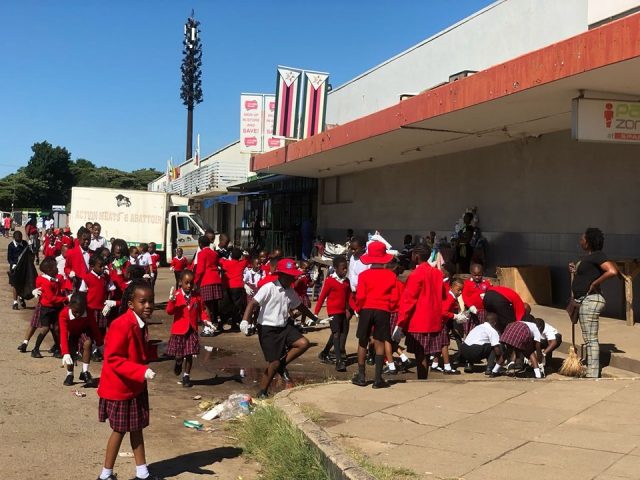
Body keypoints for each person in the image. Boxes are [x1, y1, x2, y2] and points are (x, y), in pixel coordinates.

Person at [96, 280, 159, 480]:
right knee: (119, 430)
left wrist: (160, 350)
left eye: (151, 301)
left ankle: (142, 473)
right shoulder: (121, 324)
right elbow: (114, 358)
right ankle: (105, 475)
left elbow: (139, 351)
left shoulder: (140, 323)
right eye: (143, 301)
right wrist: (141, 371)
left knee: (137, 428)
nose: (148, 305)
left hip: (134, 386)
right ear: (131, 304)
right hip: (120, 388)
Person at [241, 258, 318, 398]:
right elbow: (252, 304)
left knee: (303, 343)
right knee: (274, 363)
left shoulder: (290, 291)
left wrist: (314, 318)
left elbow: (300, 306)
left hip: (284, 326)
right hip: (267, 328)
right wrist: (245, 321)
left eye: (293, 276)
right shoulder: (268, 288)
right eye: (290, 276)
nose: (292, 279)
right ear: (281, 275)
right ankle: (262, 391)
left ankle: (281, 365)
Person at [569, 227, 618, 378]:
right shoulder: (590, 257)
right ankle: (592, 370)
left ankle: (592, 372)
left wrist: (595, 283)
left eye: (582, 239)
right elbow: (586, 275)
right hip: (585, 300)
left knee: (590, 339)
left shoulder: (598, 255)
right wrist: (575, 270)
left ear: (589, 242)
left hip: (590, 300)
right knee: (589, 338)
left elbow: (612, 271)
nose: (580, 241)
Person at [352, 241, 399, 389]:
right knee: (379, 342)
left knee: (363, 341)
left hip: (366, 308)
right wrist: (389, 307)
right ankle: (378, 379)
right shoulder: (391, 275)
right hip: (383, 310)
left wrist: (358, 309)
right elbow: (395, 297)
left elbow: (360, 296)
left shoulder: (363, 275)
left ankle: (361, 377)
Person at [395, 246, 445, 379]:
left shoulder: (416, 274)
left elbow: (408, 300)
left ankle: (422, 379)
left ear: (416, 256)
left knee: (420, 354)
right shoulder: (438, 273)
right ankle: (424, 378)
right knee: (427, 354)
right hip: (434, 319)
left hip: (419, 321)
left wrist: (400, 322)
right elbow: (443, 295)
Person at [166, 270, 208, 388]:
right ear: (180, 282)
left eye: (191, 283)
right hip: (179, 330)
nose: (189, 285)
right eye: (186, 283)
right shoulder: (176, 295)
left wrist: (206, 320)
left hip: (191, 329)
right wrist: (171, 301)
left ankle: (186, 376)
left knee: (189, 354)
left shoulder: (197, 296)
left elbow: (202, 310)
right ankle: (178, 361)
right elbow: (169, 311)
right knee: (179, 354)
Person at [315, 255, 351, 372]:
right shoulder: (330, 281)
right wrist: (316, 313)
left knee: (341, 333)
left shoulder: (346, 282)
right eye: (343, 268)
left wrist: (354, 309)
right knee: (336, 334)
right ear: (335, 268)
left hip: (343, 312)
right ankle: (339, 362)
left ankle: (324, 353)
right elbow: (322, 297)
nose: (345, 270)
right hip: (333, 312)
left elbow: (349, 297)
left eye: (346, 268)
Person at [59, 293, 103, 386]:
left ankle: (85, 372)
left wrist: (100, 344)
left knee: (88, 343)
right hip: (71, 332)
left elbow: (94, 327)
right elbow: (63, 333)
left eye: (81, 312)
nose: (78, 314)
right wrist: (65, 353)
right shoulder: (64, 314)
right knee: (70, 352)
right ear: (70, 306)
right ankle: (70, 374)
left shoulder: (89, 312)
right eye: (75, 312)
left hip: (83, 330)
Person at [29, 257, 66, 359]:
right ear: (50, 270)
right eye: (55, 267)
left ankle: (57, 348)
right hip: (47, 308)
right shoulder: (46, 282)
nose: (57, 269)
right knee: (45, 328)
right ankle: (35, 349)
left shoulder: (54, 279)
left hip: (56, 307)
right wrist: (65, 298)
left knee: (56, 329)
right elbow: (51, 298)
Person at [436, 277, 465, 375]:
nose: (460, 292)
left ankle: (435, 364)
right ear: (452, 287)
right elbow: (443, 312)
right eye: (458, 290)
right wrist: (455, 316)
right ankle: (447, 367)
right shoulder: (449, 297)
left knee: (441, 344)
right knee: (444, 344)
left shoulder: (450, 297)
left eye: (461, 290)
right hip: (441, 323)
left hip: (442, 322)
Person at [193, 235, 223, 331]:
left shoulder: (201, 253)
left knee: (206, 305)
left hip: (206, 281)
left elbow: (200, 270)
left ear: (200, 244)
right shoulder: (214, 253)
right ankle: (216, 323)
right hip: (216, 279)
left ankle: (209, 325)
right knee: (215, 304)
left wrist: (195, 281)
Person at [79, 255, 116, 332]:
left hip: (103, 308)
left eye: (103, 266)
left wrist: (108, 304)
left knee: (102, 329)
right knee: (91, 329)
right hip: (90, 309)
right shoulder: (87, 278)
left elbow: (110, 290)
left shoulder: (106, 277)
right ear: (92, 266)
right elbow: (82, 293)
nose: (102, 268)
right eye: (100, 266)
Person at [220, 248, 249, 330]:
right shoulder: (242, 263)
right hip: (238, 287)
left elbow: (220, 260)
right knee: (236, 307)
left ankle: (221, 323)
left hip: (228, 286)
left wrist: (224, 257)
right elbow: (247, 259)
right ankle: (234, 324)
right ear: (240, 256)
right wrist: (244, 255)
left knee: (226, 306)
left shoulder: (227, 263)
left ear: (231, 255)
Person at [462, 263, 491, 328]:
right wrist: (470, 306)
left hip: (482, 311)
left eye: (479, 275)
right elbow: (464, 296)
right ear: (471, 273)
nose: (477, 277)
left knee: (481, 327)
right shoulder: (467, 283)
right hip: (469, 310)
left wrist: (486, 296)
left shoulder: (486, 283)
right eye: (475, 275)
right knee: (469, 327)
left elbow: (490, 294)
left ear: (482, 273)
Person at [8, 230, 28, 310]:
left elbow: (28, 254)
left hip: (23, 267)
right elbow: (9, 258)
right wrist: (13, 264)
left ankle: (21, 297)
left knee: (23, 283)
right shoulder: (11, 246)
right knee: (15, 284)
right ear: (14, 238)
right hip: (14, 267)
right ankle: (15, 302)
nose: (19, 242)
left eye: (20, 240)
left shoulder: (25, 244)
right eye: (17, 240)